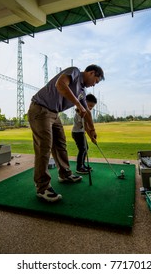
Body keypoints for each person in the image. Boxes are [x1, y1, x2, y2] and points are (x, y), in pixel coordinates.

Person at [27, 64, 104, 202]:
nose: (94, 85)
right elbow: (60, 84)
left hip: (54, 113)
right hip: (40, 109)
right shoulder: (74, 72)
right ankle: (42, 187)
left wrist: (92, 130)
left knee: (60, 144)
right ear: (92, 73)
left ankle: (65, 174)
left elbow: (86, 113)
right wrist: (79, 105)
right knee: (44, 148)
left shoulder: (81, 91)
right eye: (96, 81)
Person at [72, 94, 97, 174]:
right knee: (82, 149)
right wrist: (91, 138)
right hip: (77, 133)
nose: (90, 108)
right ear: (84, 102)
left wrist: (92, 136)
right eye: (89, 105)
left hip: (81, 133)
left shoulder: (85, 112)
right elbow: (86, 126)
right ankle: (79, 167)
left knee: (86, 148)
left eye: (92, 107)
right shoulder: (80, 112)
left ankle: (82, 164)